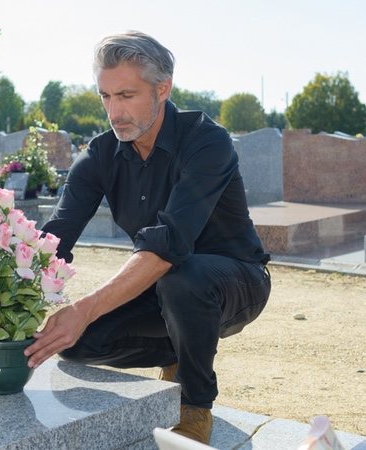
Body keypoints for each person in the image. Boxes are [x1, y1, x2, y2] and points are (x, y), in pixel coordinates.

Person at [25, 31, 271, 444]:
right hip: (162, 290)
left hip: (236, 282)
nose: (113, 112)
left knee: (183, 276)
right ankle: (179, 350)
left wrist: (84, 307)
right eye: (105, 96)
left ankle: (194, 404)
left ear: (163, 88)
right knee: (74, 343)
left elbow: (169, 245)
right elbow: (54, 238)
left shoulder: (207, 141)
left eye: (126, 95)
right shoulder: (101, 155)